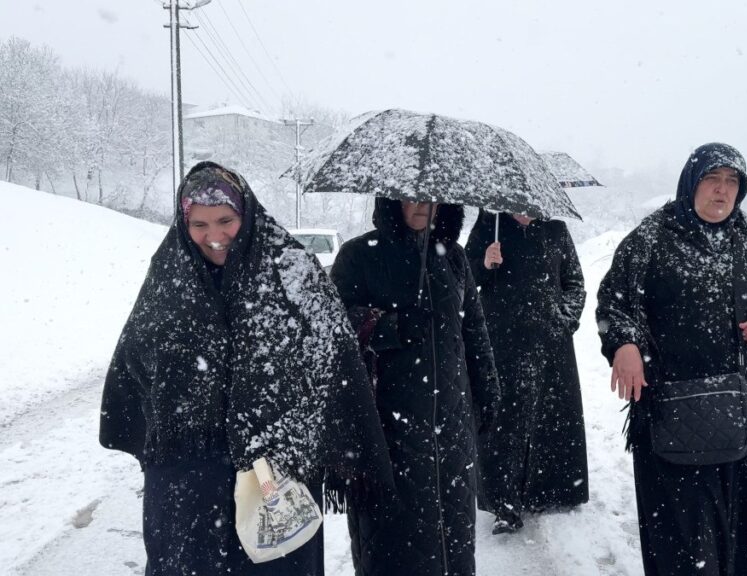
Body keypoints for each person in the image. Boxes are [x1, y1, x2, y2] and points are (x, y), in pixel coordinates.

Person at [99, 162, 391, 576]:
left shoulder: (293, 271)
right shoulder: (169, 273)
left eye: (225, 220)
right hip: (189, 482)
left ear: (246, 213)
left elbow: (332, 359)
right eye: (199, 224)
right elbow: (135, 361)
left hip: (274, 476)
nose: (213, 236)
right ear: (184, 224)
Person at [596, 143, 747, 576]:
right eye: (713, 179)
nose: (722, 191)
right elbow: (613, 303)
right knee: (684, 538)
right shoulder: (653, 238)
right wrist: (624, 345)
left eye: (732, 182)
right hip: (676, 411)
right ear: (691, 183)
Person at [331, 198, 501, 576]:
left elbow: (473, 329)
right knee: (393, 546)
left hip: (451, 431)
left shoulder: (453, 257)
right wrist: (389, 326)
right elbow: (332, 325)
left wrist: (487, 389)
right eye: (412, 196)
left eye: (433, 197)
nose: (424, 205)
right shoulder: (359, 254)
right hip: (387, 431)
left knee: (451, 541)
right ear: (391, 201)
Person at [465, 211, 589, 534]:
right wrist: (485, 264)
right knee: (503, 421)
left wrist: (565, 320)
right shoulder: (489, 224)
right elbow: (465, 278)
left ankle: (550, 491)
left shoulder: (556, 230)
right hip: (501, 341)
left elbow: (574, 282)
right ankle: (504, 502)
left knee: (550, 416)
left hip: (551, 345)